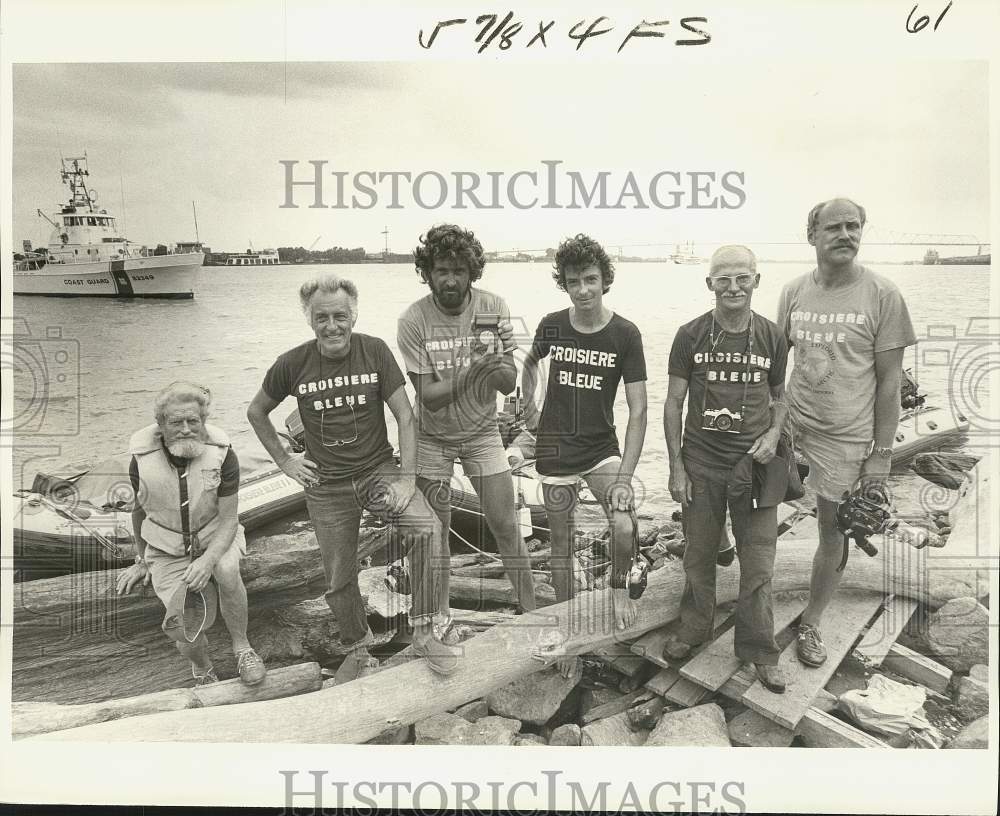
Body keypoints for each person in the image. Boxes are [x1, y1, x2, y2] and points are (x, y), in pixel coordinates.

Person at [247, 275, 459, 682]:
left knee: (428, 530)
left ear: (353, 315)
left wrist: (407, 479)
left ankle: (422, 631)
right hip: (325, 485)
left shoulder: (374, 351)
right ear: (309, 319)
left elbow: (405, 416)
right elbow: (257, 412)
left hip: (377, 470)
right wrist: (285, 462)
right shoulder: (293, 363)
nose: (332, 326)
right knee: (338, 575)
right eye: (322, 317)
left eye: (340, 316)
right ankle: (359, 650)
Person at [778, 198, 916, 667]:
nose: (844, 234)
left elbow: (891, 383)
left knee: (832, 529)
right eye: (832, 227)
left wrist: (881, 456)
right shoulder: (793, 291)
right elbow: (777, 366)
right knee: (751, 498)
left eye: (852, 226)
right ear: (811, 235)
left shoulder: (883, 295)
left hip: (845, 438)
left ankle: (812, 620)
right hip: (792, 427)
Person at [397, 224, 537, 629]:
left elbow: (508, 384)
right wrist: (476, 365)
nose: (450, 279)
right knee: (434, 535)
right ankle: (438, 619)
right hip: (432, 439)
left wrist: (497, 354)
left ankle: (531, 612)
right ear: (428, 271)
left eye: (459, 270)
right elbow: (429, 396)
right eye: (441, 269)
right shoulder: (414, 320)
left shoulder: (492, 307)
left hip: (481, 433)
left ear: (472, 272)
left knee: (507, 527)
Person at [663, 245, 789, 693]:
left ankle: (759, 649)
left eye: (742, 278)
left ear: (757, 280)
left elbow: (780, 396)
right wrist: (677, 467)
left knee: (759, 561)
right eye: (723, 279)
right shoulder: (690, 334)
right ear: (710, 284)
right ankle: (694, 628)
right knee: (698, 555)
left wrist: (773, 437)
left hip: (754, 466)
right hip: (701, 463)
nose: (733, 287)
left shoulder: (773, 336)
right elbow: (675, 401)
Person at [521, 234, 648, 670]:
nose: (583, 290)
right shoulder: (553, 324)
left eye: (591, 279)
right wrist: (528, 406)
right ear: (565, 284)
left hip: (599, 449)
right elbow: (529, 364)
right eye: (574, 281)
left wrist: (626, 477)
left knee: (625, 526)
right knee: (560, 543)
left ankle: (617, 585)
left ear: (605, 280)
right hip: (555, 449)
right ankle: (565, 623)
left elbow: (639, 410)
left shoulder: (625, 333)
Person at [115, 382, 267, 687]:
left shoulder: (223, 455)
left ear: (204, 422)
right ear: (160, 426)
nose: (186, 429)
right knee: (182, 621)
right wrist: (141, 559)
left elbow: (228, 520)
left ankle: (242, 647)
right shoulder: (141, 460)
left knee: (226, 569)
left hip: (216, 534)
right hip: (166, 547)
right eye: (176, 422)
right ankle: (203, 668)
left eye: (193, 421)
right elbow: (138, 512)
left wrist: (208, 561)